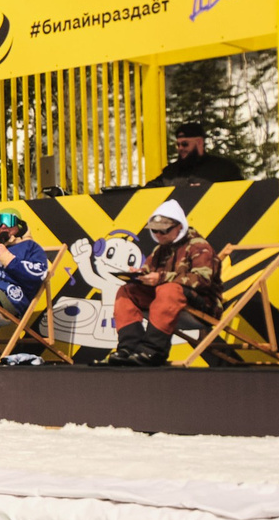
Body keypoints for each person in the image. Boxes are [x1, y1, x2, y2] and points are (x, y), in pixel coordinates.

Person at [106, 199, 216, 366]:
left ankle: (153, 350)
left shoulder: (199, 247)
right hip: (168, 301)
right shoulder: (160, 249)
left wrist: (161, 278)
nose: (158, 235)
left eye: (163, 231)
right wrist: (140, 275)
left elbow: (202, 280)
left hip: (202, 304)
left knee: (169, 289)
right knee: (127, 291)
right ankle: (129, 347)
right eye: (155, 231)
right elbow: (150, 271)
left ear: (179, 226)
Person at [146, 120, 247, 186]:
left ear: (199, 142)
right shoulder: (170, 172)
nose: (180, 148)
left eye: (185, 144)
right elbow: (151, 190)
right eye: (178, 145)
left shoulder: (224, 169)